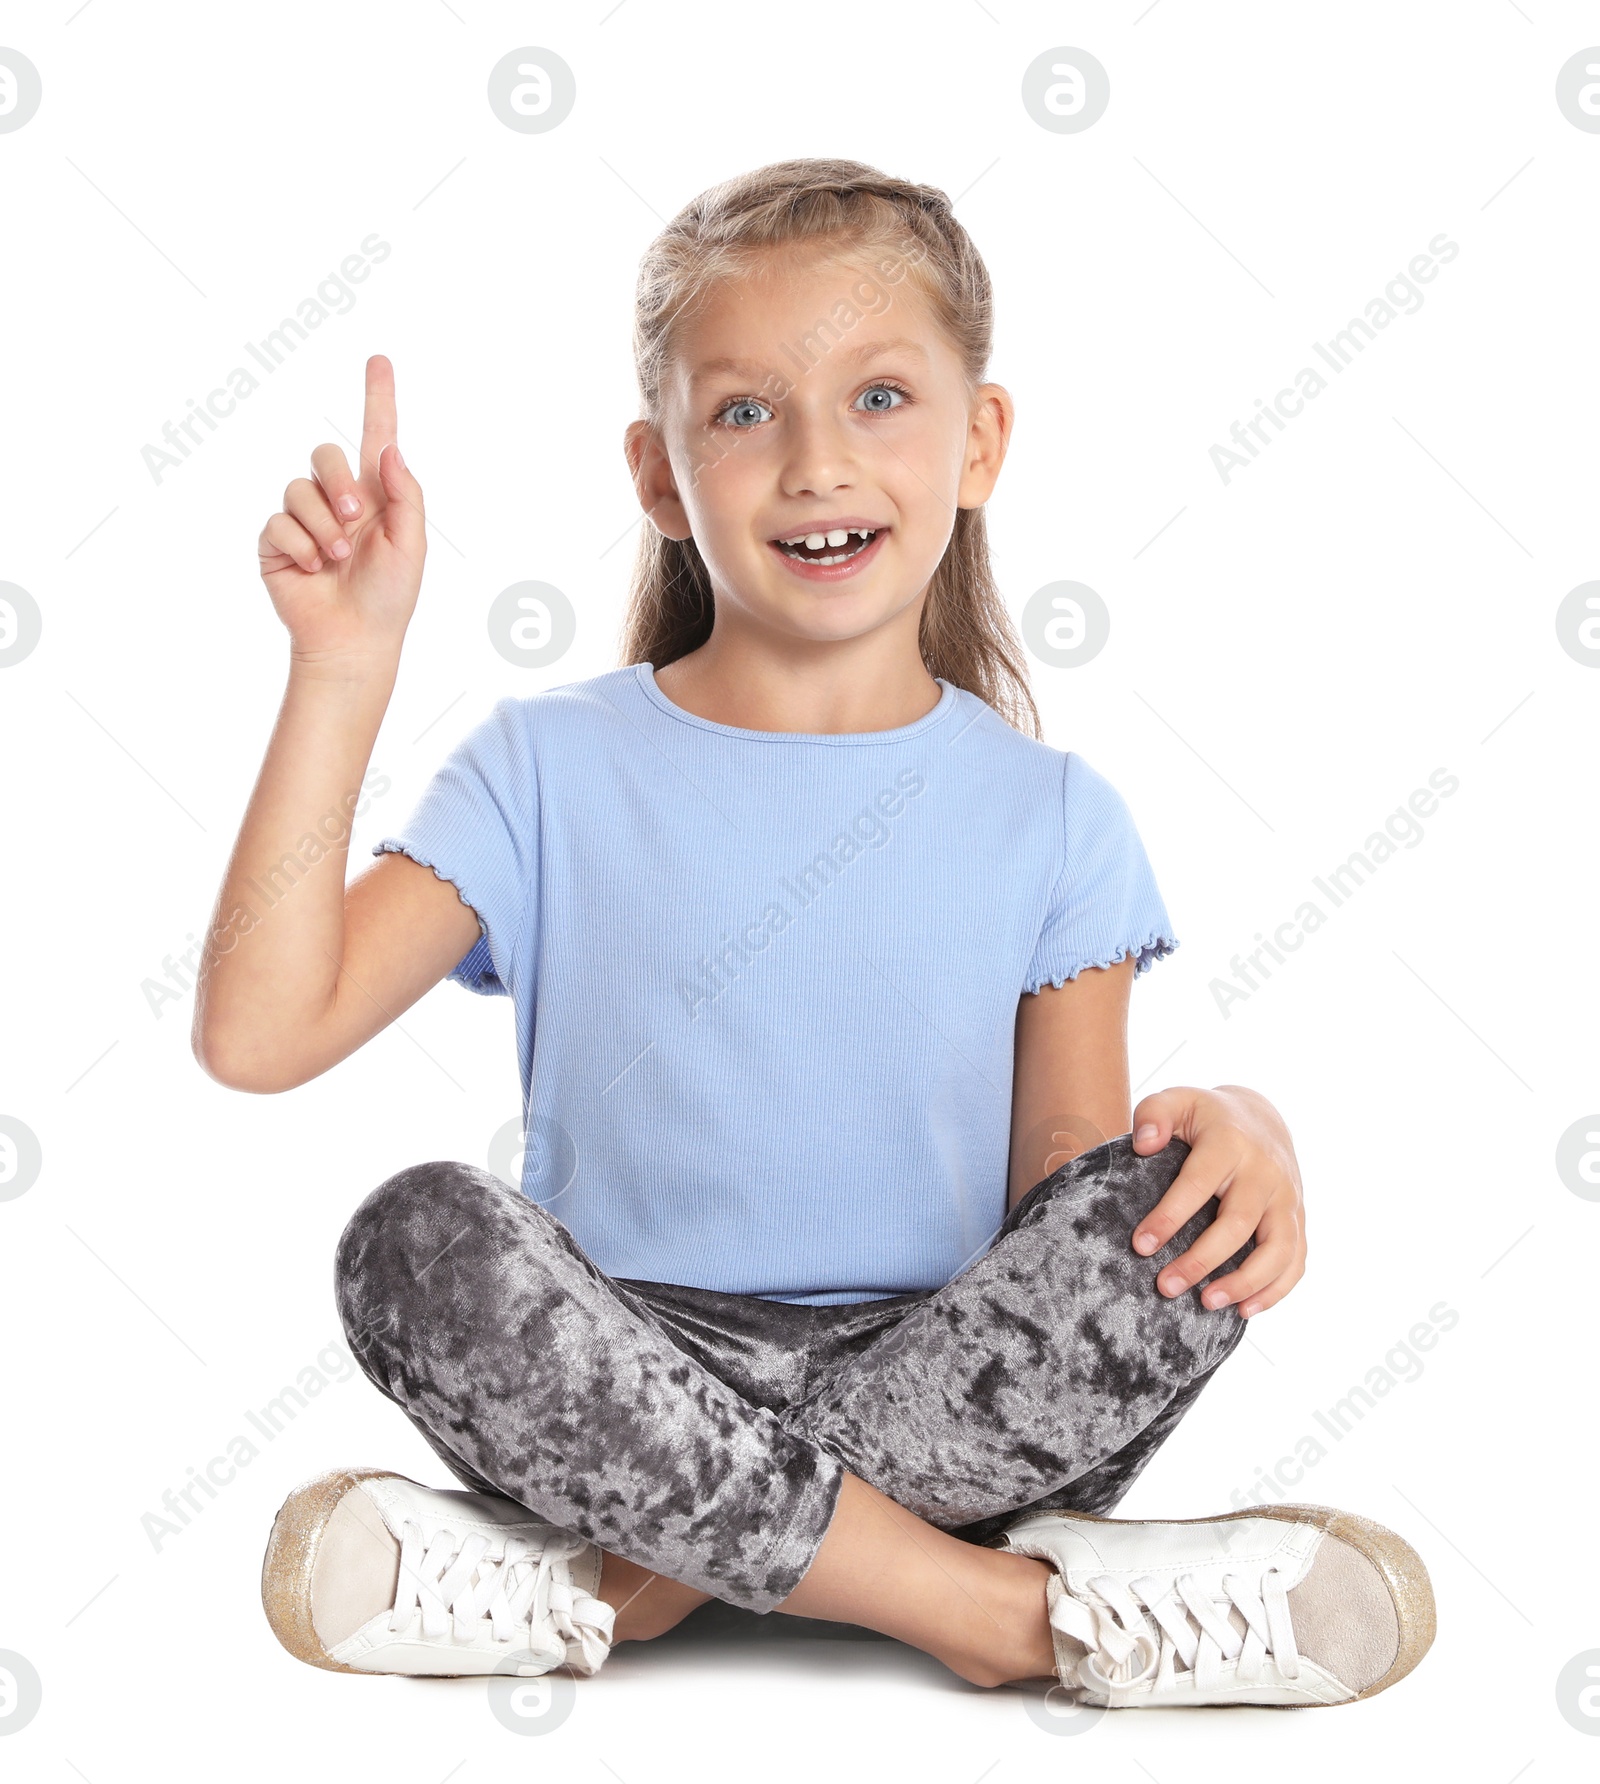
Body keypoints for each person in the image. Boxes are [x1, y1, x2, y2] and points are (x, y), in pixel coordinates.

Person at [196, 159, 1434, 1708]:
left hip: (941, 1402)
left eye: (882, 398)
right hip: (617, 1389)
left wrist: (1243, 1132)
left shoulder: (1056, 816)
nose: (814, 463)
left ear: (979, 439)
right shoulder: (541, 771)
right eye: (743, 412)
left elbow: (1061, 1193)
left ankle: (623, 1588)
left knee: (1172, 1210)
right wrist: (344, 667)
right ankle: (1005, 1618)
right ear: (659, 476)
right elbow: (258, 1030)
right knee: (415, 1237)